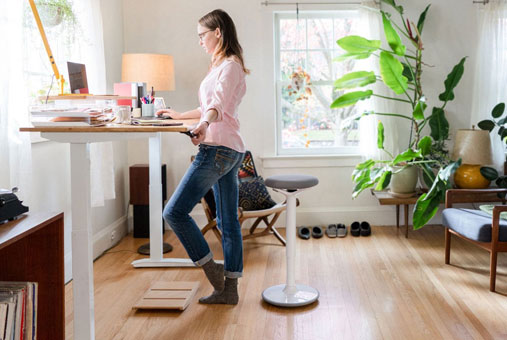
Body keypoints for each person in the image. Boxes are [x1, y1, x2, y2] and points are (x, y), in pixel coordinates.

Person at [156, 9, 249, 305]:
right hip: (230, 149)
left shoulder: (230, 66)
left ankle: (216, 276)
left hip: (219, 149)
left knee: (173, 212)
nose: (200, 42)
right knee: (228, 222)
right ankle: (229, 292)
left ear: (217, 33)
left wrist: (205, 125)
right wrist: (180, 115)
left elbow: (217, 106)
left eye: (202, 36)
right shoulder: (221, 65)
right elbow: (209, 105)